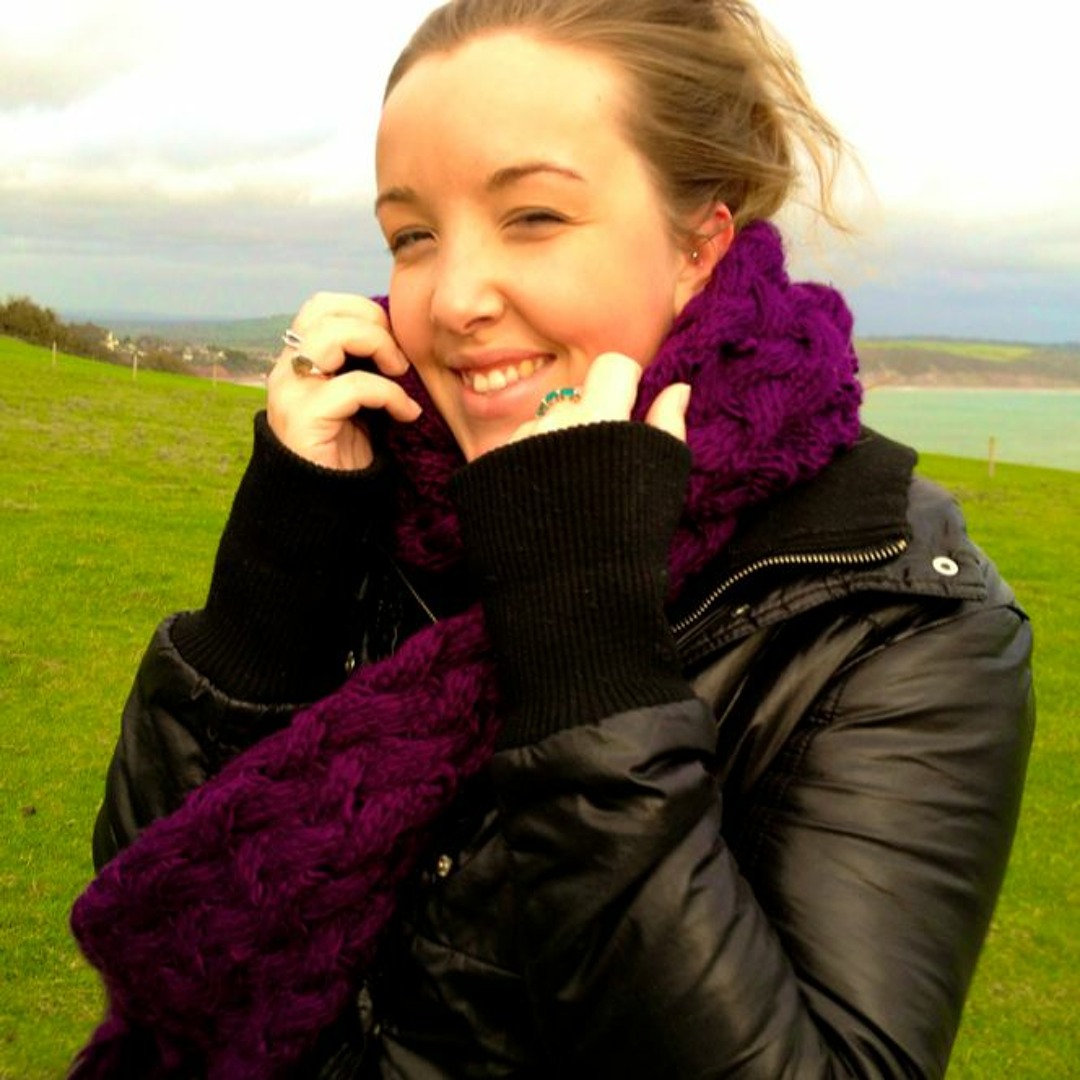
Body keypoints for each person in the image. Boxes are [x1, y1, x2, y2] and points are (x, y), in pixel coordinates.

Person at [70, 0, 1034, 1076]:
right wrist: (275, 572)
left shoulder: (893, 612)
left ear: (699, 245)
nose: (454, 300)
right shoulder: (391, 494)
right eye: (413, 236)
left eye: (532, 216)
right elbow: (165, 913)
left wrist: (583, 639)